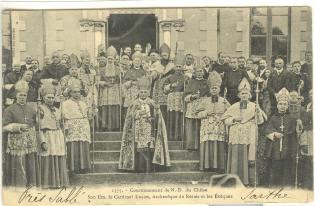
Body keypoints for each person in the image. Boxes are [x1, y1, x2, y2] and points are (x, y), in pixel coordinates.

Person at [118, 76, 171, 173]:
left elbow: (158, 118)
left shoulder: (152, 103)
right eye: (141, 92)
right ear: (138, 92)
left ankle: (150, 168)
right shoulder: (134, 104)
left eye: (145, 92)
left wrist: (155, 112)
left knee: (149, 148)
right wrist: (137, 114)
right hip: (137, 130)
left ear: (148, 93)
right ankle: (138, 168)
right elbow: (129, 118)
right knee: (139, 148)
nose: (143, 94)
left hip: (150, 129)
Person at [221, 78, 267, 186]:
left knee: (248, 157)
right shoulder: (234, 106)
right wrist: (234, 119)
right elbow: (224, 119)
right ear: (239, 95)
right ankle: (234, 180)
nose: (244, 95)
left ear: (250, 95)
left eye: (246, 93)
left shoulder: (254, 106)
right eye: (242, 93)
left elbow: (260, 121)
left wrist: (258, 112)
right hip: (236, 135)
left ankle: (248, 180)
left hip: (249, 134)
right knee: (236, 157)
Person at [2, 80, 40, 187]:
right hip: (16, 142)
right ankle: (19, 186)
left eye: (24, 95)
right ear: (16, 95)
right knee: (19, 164)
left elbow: (35, 124)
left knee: (30, 164)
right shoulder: (9, 109)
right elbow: (4, 127)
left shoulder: (31, 109)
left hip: (29, 143)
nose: (23, 97)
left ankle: (31, 186)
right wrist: (19, 127)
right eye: (21, 95)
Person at [264, 87, 302, 187]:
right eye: (280, 104)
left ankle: (287, 185)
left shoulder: (293, 118)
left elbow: (296, 132)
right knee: (276, 165)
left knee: (287, 165)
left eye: (284, 104)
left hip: (288, 144)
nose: (282, 106)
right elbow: (268, 131)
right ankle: (276, 185)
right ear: (277, 105)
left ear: (287, 105)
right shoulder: (273, 118)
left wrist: (299, 125)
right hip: (276, 145)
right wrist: (274, 134)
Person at [196, 70, 231, 171]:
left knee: (219, 144)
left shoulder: (224, 101)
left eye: (216, 88)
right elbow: (197, 113)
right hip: (207, 125)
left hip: (219, 125)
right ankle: (206, 165)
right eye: (212, 88)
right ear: (210, 89)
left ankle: (219, 166)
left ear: (219, 89)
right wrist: (204, 113)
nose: (214, 90)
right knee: (208, 144)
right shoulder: (205, 100)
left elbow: (230, 112)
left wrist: (224, 115)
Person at [38, 85, 68, 189]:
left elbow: (62, 124)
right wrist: (42, 141)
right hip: (48, 135)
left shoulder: (57, 109)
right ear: (43, 98)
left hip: (57, 135)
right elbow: (38, 127)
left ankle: (59, 183)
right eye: (48, 98)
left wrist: (63, 120)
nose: (51, 100)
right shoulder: (40, 109)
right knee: (48, 157)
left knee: (58, 156)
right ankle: (48, 183)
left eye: (52, 98)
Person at [62, 82, 93, 174]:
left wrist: (91, 111)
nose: (77, 94)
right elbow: (64, 118)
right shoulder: (65, 103)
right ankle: (74, 167)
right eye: (74, 92)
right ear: (70, 93)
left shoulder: (83, 103)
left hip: (83, 127)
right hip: (72, 126)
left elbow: (88, 115)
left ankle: (84, 167)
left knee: (83, 145)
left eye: (78, 92)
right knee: (73, 146)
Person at [183, 65, 209, 150]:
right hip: (193, 104)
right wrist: (192, 96)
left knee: (203, 124)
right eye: (197, 71)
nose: (199, 73)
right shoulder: (191, 82)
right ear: (195, 73)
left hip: (203, 104)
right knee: (192, 125)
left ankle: (202, 145)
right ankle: (192, 146)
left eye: (201, 71)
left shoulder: (207, 82)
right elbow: (184, 96)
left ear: (204, 73)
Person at [162, 52, 188, 140]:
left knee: (181, 116)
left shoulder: (186, 77)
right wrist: (171, 86)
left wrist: (187, 85)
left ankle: (181, 136)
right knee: (172, 116)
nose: (178, 68)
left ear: (182, 67)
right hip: (172, 99)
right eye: (177, 67)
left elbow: (189, 88)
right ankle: (172, 136)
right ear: (174, 67)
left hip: (181, 99)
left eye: (180, 67)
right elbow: (164, 89)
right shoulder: (169, 77)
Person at [98, 46, 121, 132]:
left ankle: (115, 126)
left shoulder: (118, 69)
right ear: (106, 59)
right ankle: (104, 126)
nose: (110, 60)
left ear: (114, 60)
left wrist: (120, 77)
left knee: (114, 107)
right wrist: (104, 83)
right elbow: (98, 81)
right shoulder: (102, 70)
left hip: (115, 89)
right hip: (105, 90)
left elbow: (120, 81)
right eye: (109, 59)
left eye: (112, 59)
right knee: (105, 107)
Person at [122, 51, 147, 125]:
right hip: (131, 92)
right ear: (132, 62)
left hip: (140, 92)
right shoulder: (129, 71)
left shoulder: (143, 71)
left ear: (141, 62)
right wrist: (131, 82)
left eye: (138, 61)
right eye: (135, 61)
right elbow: (124, 83)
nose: (137, 62)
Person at [151, 44, 174, 121]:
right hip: (158, 91)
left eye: (165, 55)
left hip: (168, 92)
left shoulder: (173, 66)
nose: (164, 57)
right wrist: (155, 75)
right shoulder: (156, 66)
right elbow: (152, 78)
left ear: (168, 56)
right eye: (162, 55)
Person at [78, 49, 98, 122]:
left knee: (94, 105)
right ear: (82, 60)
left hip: (92, 89)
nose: (88, 61)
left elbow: (95, 80)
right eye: (86, 60)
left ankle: (93, 125)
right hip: (84, 89)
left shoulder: (92, 71)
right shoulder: (79, 71)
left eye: (89, 60)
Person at [299, 89, 313, 190]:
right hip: (309, 134)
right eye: (310, 94)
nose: (311, 95)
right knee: (308, 160)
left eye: (313, 93)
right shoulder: (307, 107)